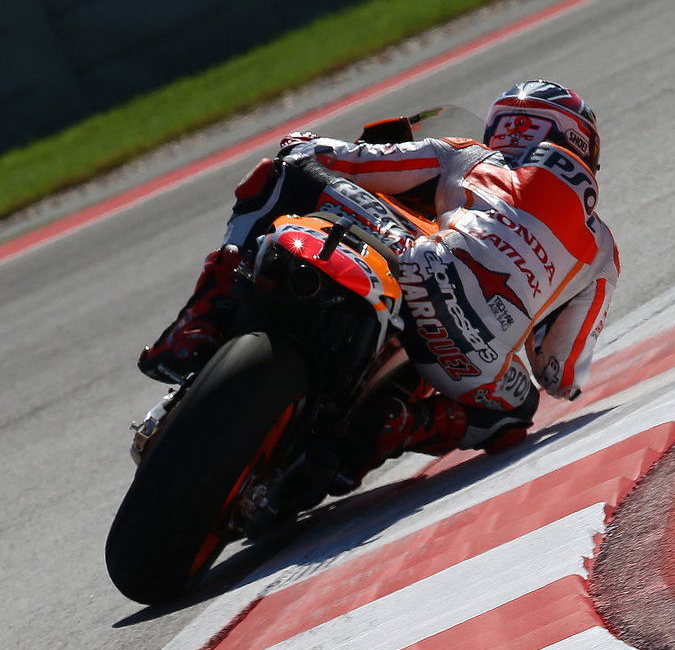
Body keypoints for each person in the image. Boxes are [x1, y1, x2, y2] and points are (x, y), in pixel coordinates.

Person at [138, 80, 619, 483]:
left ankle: (200, 320)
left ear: (502, 128)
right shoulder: (603, 251)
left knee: (283, 173)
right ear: (582, 144)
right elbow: (559, 374)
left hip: (418, 269)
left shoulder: (465, 155)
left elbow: (346, 161)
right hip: (470, 361)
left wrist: (306, 143)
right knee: (518, 409)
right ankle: (398, 426)